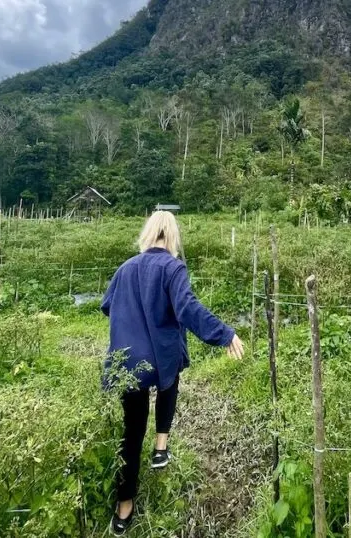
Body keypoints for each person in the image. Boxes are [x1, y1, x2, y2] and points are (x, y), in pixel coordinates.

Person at [100, 210, 244, 535]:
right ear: (173, 237)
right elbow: (188, 308)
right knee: (173, 368)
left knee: (130, 434)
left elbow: (108, 306)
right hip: (161, 358)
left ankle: (124, 509)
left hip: (128, 364)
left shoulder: (125, 268)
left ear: (148, 234)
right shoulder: (173, 267)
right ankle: (161, 447)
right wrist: (224, 333)